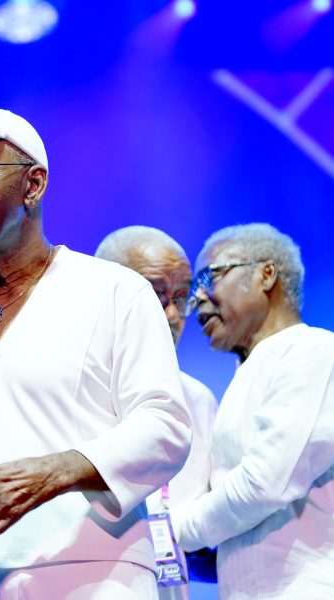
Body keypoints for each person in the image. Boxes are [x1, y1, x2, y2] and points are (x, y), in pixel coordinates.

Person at [0, 107, 192, 599]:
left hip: (94, 573)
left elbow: (166, 426)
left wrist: (56, 471)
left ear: (33, 185)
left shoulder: (114, 291)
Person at [173, 223, 334, 599]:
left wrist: (171, 530)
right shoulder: (247, 374)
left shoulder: (312, 351)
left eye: (209, 277)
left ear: (266, 274)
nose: (196, 299)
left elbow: (265, 484)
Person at [96, 226, 219, 599]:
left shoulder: (197, 399)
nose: (172, 314)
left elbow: (199, 543)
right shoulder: (67, 389)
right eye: (154, 294)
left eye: (181, 297)